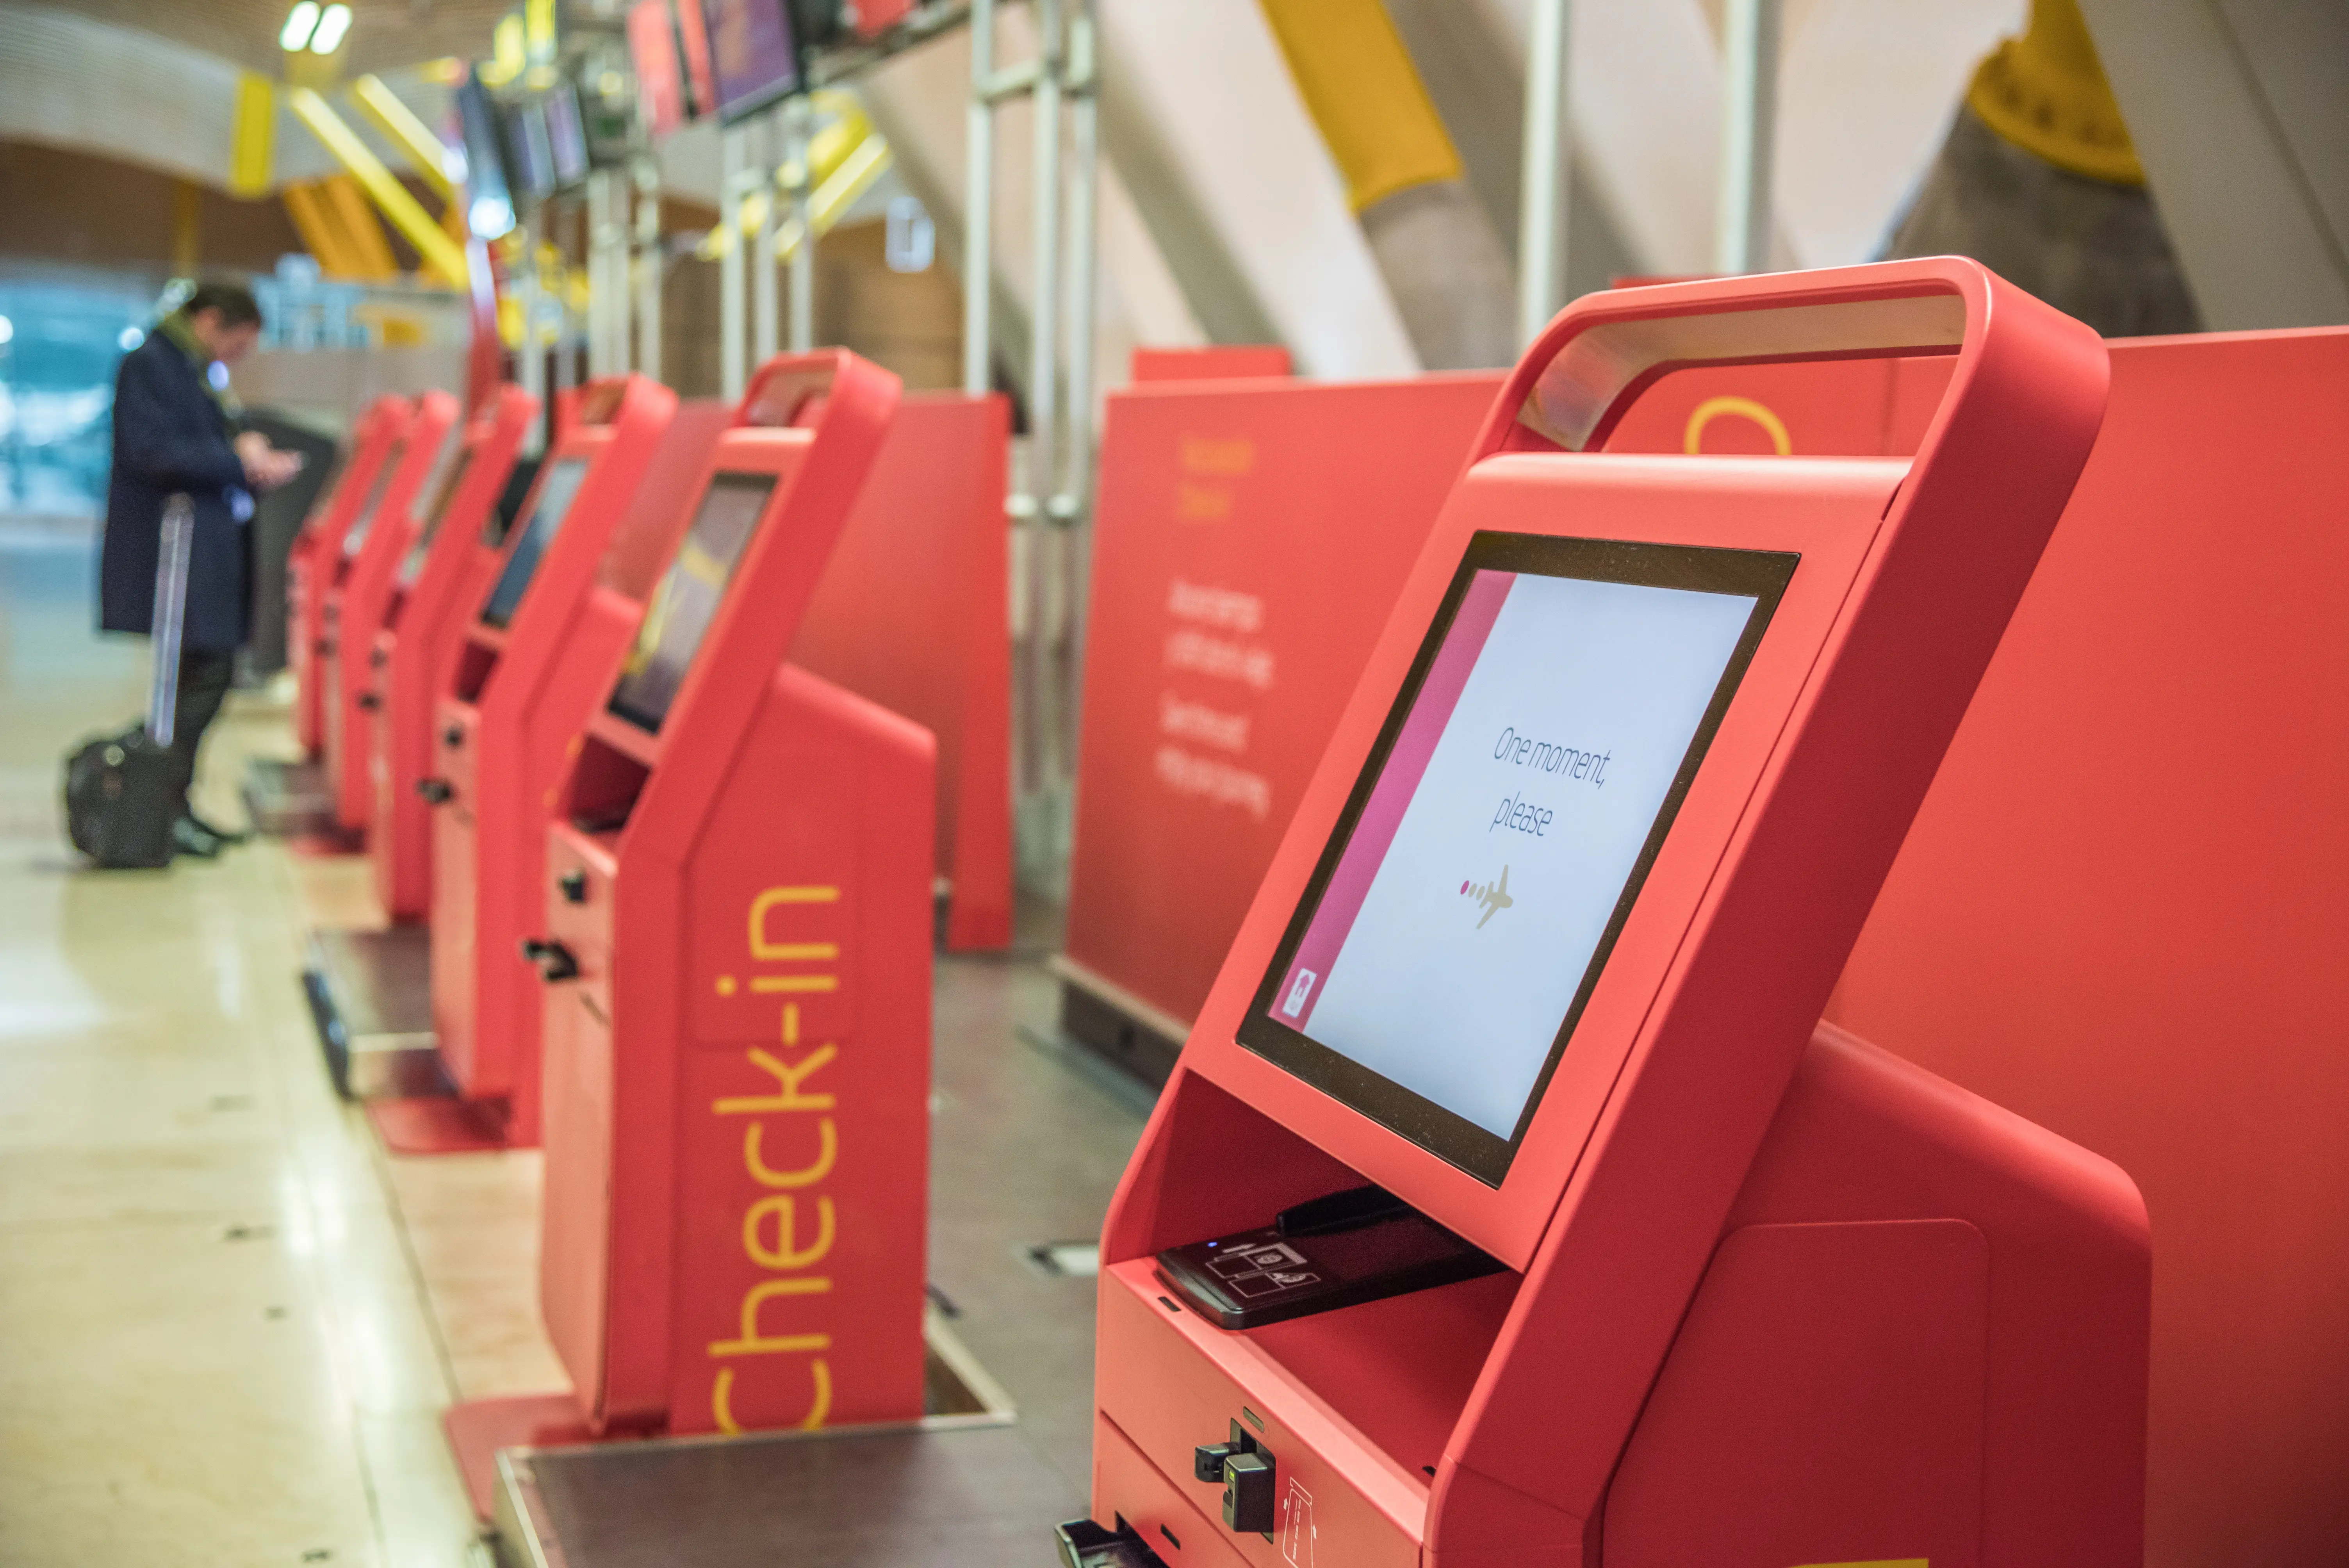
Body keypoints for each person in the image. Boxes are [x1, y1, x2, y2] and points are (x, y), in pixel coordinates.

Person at [97, 282, 302, 859]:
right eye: (235, 343)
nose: (233, 357)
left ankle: (173, 806)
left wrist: (243, 451)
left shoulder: (183, 366)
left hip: (199, 554)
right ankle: (159, 810)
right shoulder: (152, 364)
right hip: (174, 557)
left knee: (202, 680)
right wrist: (238, 462)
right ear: (210, 320)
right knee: (191, 686)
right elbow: (151, 450)